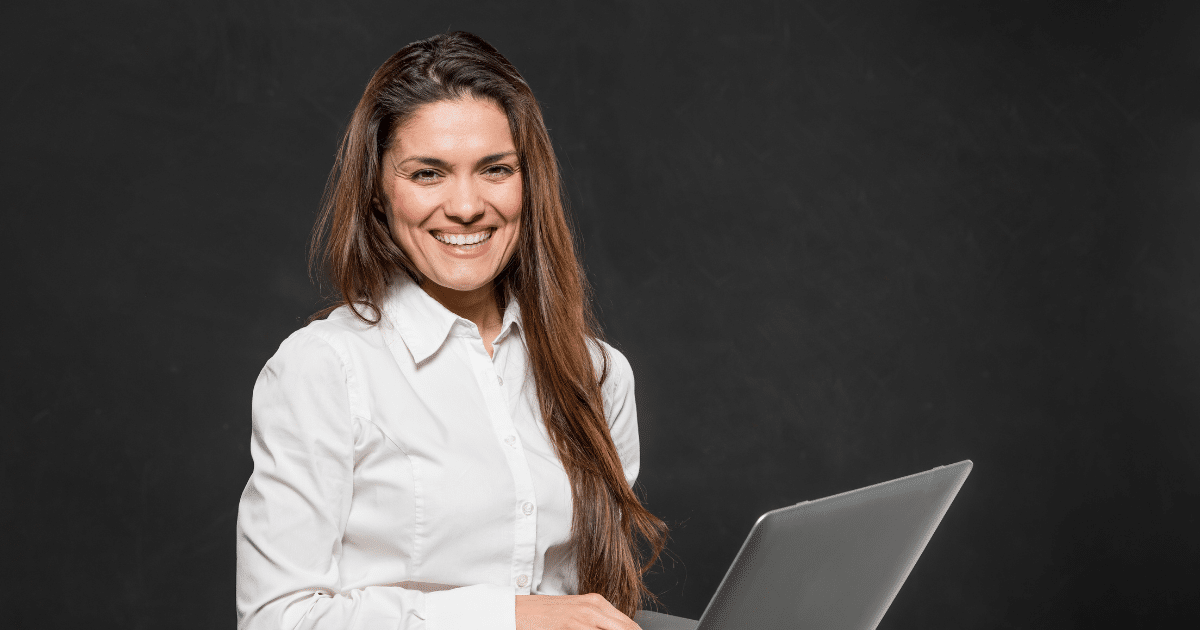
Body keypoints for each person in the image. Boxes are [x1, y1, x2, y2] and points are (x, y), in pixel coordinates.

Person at [235, 31, 668, 630]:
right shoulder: (325, 369)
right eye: (427, 174)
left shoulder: (597, 373)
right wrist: (504, 618)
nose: (466, 206)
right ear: (378, 193)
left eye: (495, 169)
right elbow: (277, 618)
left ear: (529, 183)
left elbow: (584, 607)